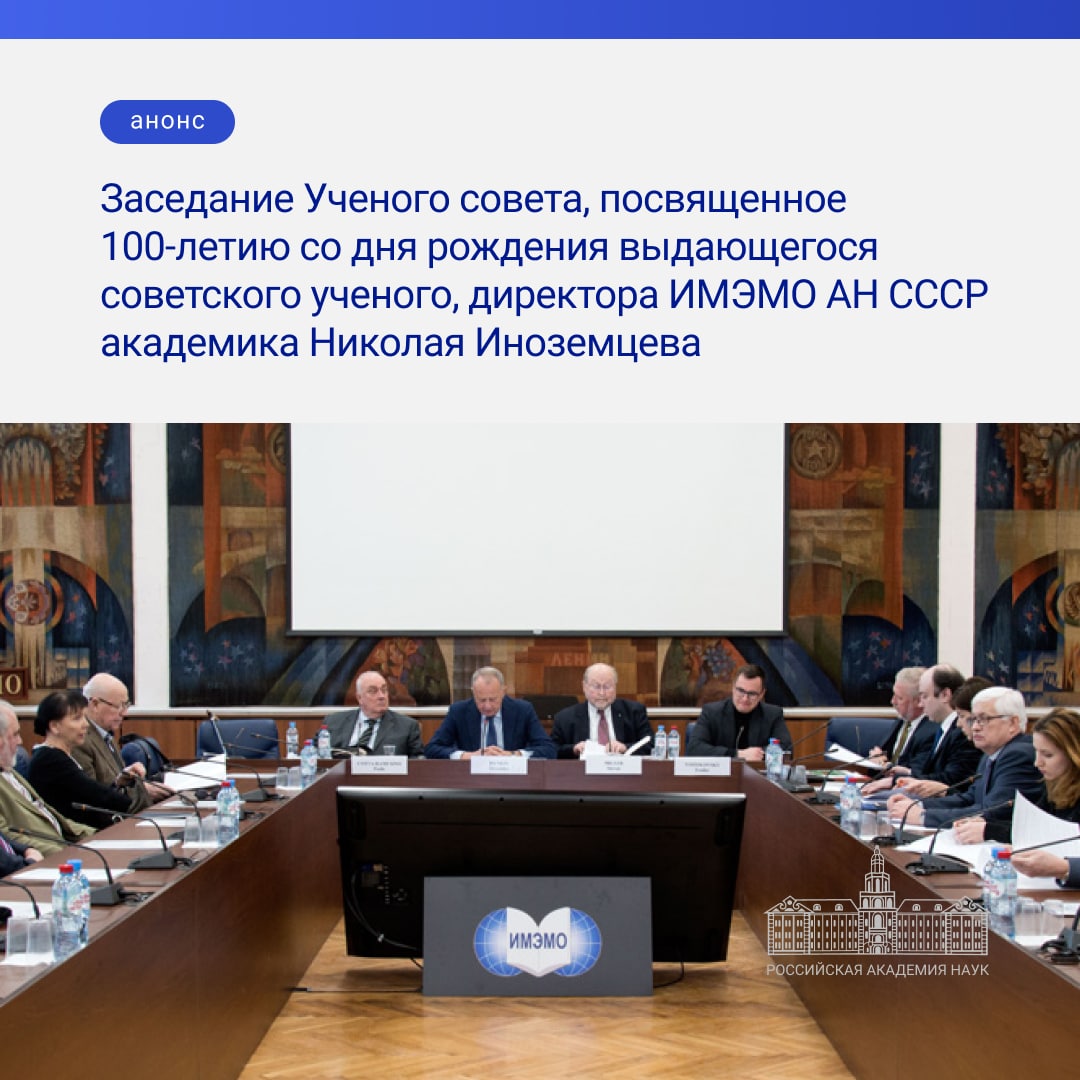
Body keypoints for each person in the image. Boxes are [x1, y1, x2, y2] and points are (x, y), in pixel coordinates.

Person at [887, 686, 1044, 841]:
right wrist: (917, 805)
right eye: (973, 719)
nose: (975, 727)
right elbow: (969, 799)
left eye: (984, 719)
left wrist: (923, 816)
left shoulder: (1018, 755)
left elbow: (990, 812)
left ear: (1013, 723)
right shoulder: (991, 754)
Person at [27, 691, 141, 829]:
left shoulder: (58, 755)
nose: (85, 724)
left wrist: (118, 783)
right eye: (77, 718)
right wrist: (136, 799)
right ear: (55, 726)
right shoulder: (50, 760)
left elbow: (86, 793)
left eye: (84, 718)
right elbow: (98, 796)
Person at [865, 665, 981, 795]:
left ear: (945, 695)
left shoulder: (962, 732)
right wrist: (908, 773)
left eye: (924, 696)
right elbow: (935, 774)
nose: (921, 703)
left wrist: (896, 780)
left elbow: (953, 781)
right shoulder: (944, 729)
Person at [0, 699, 96, 852]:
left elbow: (52, 817)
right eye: (15, 734)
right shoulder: (48, 759)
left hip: (67, 843)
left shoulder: (10, 771)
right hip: (48, 855)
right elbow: (7, 837)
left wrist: (97, 836)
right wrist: (64, 852)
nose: (20, 741)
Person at [1003, 708, 1080, 878]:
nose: (1037, 763)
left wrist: (1063, 867)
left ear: (1074, 754)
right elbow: (1034, 831)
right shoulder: (1054, 785)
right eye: (1036, 752)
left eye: (1047, 755)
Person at [75, 673, 171, 806]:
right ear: (95, 704)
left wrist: (144, 787)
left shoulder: (106, 735)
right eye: (118, 706)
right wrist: (144, 792)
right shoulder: (80, 740)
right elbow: (97, 798)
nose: (124, 713)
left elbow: (120, 783)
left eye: (126, 705)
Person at [424, 667, 555, 759]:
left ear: (503, 692)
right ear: (473, 692)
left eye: (493, 699)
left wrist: (513, 755)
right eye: (481, 700)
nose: (487, 706)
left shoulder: (522, 710)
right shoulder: (459, 711)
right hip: (471, 780)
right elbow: (432, 748)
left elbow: (548, 749)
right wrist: (467, 756)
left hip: (513, 780)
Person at [686, 664, 791, 761]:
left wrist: (759, 754)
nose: (745, 699)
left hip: (757, 773)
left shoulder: (772, 715)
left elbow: (786, 749)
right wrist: (737, 754)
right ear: (733, 688)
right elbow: (694, 749)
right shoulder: (711, 712)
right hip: (721, 774)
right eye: (741, 691)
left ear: (761, 694)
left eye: (752, 694)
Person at [550, 663, 653, 758]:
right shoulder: (565, 718)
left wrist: (625, 747)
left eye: (607, 687)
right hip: (582, 771)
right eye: (596, 686)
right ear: (584, 687)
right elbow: (552, 749)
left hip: (624, 770)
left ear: (615, 687)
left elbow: (651, 743)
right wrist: (573, 749)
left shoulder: (633, 711)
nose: (602, 693)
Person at [324, 670, 424, 756]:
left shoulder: (407, 727)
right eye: (373, 691)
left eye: (384, 690)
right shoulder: (333, 722)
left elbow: (418, 762)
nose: (381, 696)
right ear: (359, 698)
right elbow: (319, 754)